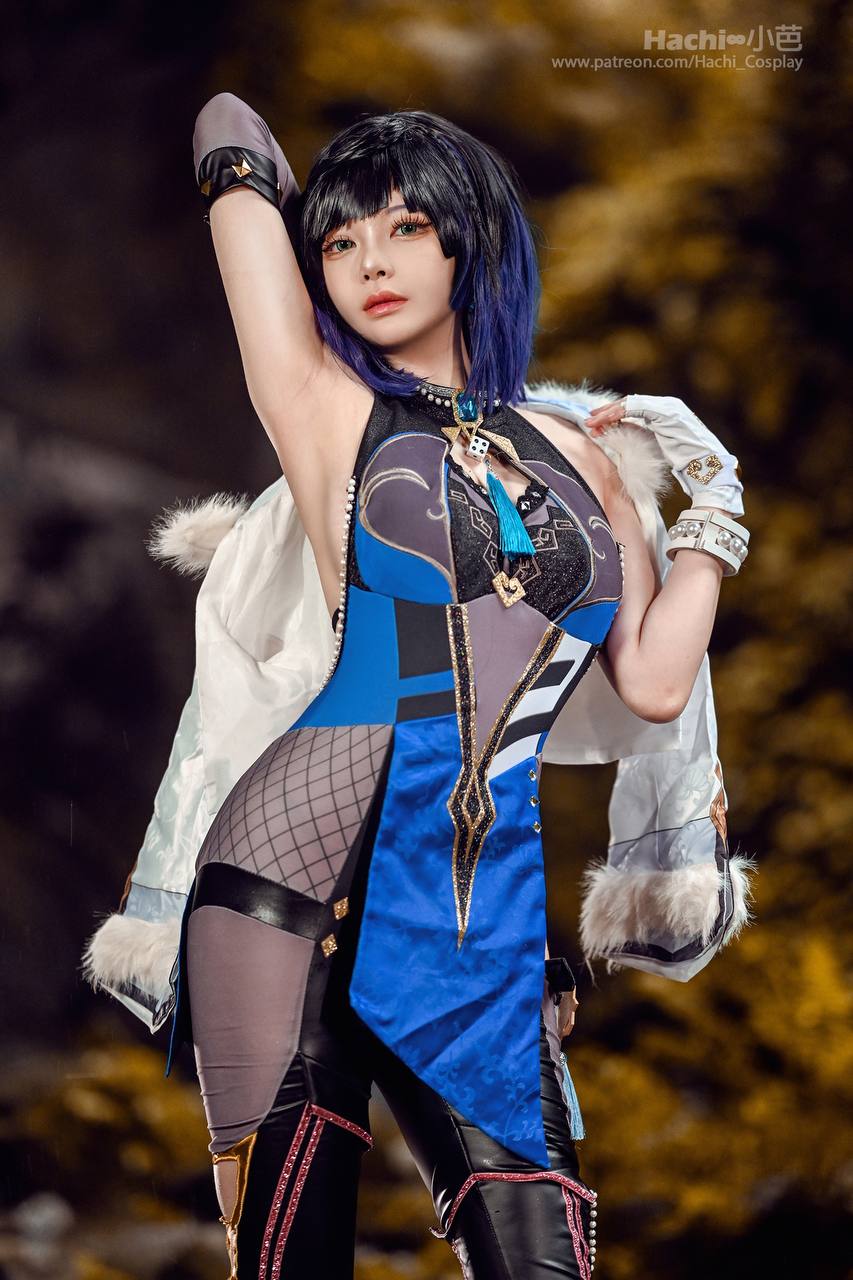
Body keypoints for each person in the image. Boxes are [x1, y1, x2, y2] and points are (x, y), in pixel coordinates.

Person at [82, 92, 757, 1279]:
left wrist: (713, 510)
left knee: (542, 1254)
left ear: (469, 237)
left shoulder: (586, 458)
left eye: (404, 227)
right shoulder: (324, 407)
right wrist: (291, 193)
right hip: (286, 884)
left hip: (468, 918)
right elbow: (225, 123)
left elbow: (654, 681)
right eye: (340, 243)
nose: (370, 264)